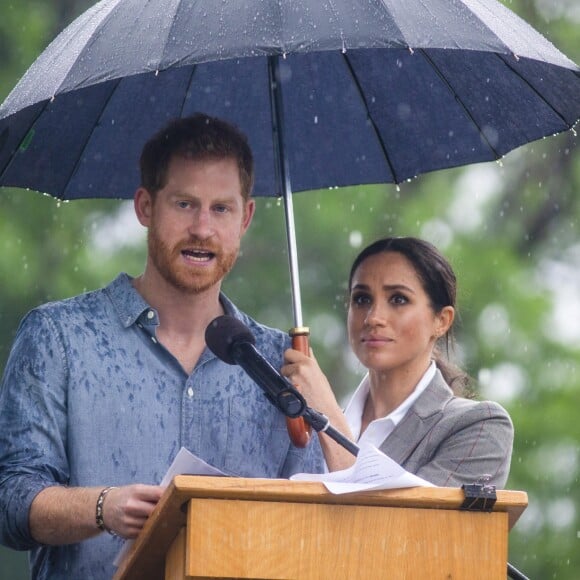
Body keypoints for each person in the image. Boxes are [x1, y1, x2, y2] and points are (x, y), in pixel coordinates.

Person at [0, 113, 323, 579]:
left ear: (246, 217)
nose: (202, 229)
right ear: (146, 207)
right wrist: (102, 507)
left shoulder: (281, 366)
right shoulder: (57, 337)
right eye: (184, 204)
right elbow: (11, 499)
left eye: (221, 209)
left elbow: (309, 530)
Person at [282, 236, 513, 487]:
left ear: (442, 321)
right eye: (361, 299)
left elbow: (400, 524)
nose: (373, 318)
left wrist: (328, 419)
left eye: (398, 299)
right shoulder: (301, 427)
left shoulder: (479, 427)